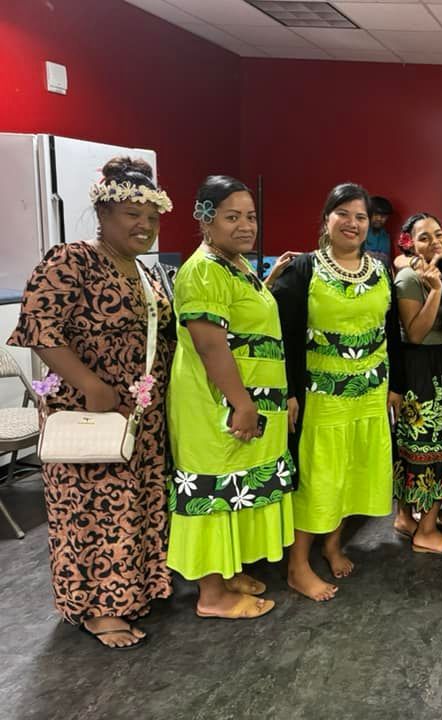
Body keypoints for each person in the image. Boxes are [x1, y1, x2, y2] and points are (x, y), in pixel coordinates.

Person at [8, 157, 174, 648]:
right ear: (102, 214)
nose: (144, 225)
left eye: (152, 217)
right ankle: (99, 608)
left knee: (137, 501)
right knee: (95, 507)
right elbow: (38, 329)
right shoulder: (71, 259)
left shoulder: (144, 271)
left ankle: (138, 589)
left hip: (140, 413)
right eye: (131, 215)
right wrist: (93, 386)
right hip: (89, 410)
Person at [166, 176, 293, 620]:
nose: (245, 226)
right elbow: (210, 345)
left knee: (235, 487)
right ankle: (211, 594)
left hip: (246, 397)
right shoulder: (202, 269)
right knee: (213, 488)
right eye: (231, 216)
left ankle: (225, 571)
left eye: (251, 216)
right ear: (205, 219)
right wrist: (241, 401)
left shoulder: (234, 264)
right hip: (214, 402)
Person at [272, 183, 403, 599]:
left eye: (360, 217)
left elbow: (391, 332)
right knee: (319, 475)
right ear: (326, 219)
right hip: (321, 395)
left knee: (353, 471)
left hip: (368, 392)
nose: (352, 223)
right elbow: (284, 335)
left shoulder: (381, 271)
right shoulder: (304, 269)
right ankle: (298, 565)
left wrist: (395, 385)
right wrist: (291, 392)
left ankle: (332, 544)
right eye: (342, 214)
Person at [391, 212, 442, 555]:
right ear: (410, 243)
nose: (435, 242)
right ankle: (425, 530)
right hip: (419, 369)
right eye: (424, 237)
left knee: (427, 445)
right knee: (429, 449)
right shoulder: (409, 278)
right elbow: (416, 332)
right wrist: (435, 290)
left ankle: (406, 518)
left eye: (439, 234)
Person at [366, 195, 393, 267]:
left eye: (383, 216)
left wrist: (367, 254)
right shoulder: (359, 230)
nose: (379, 219)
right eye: (376, 214)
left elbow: (386, 260)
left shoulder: (384, 235)